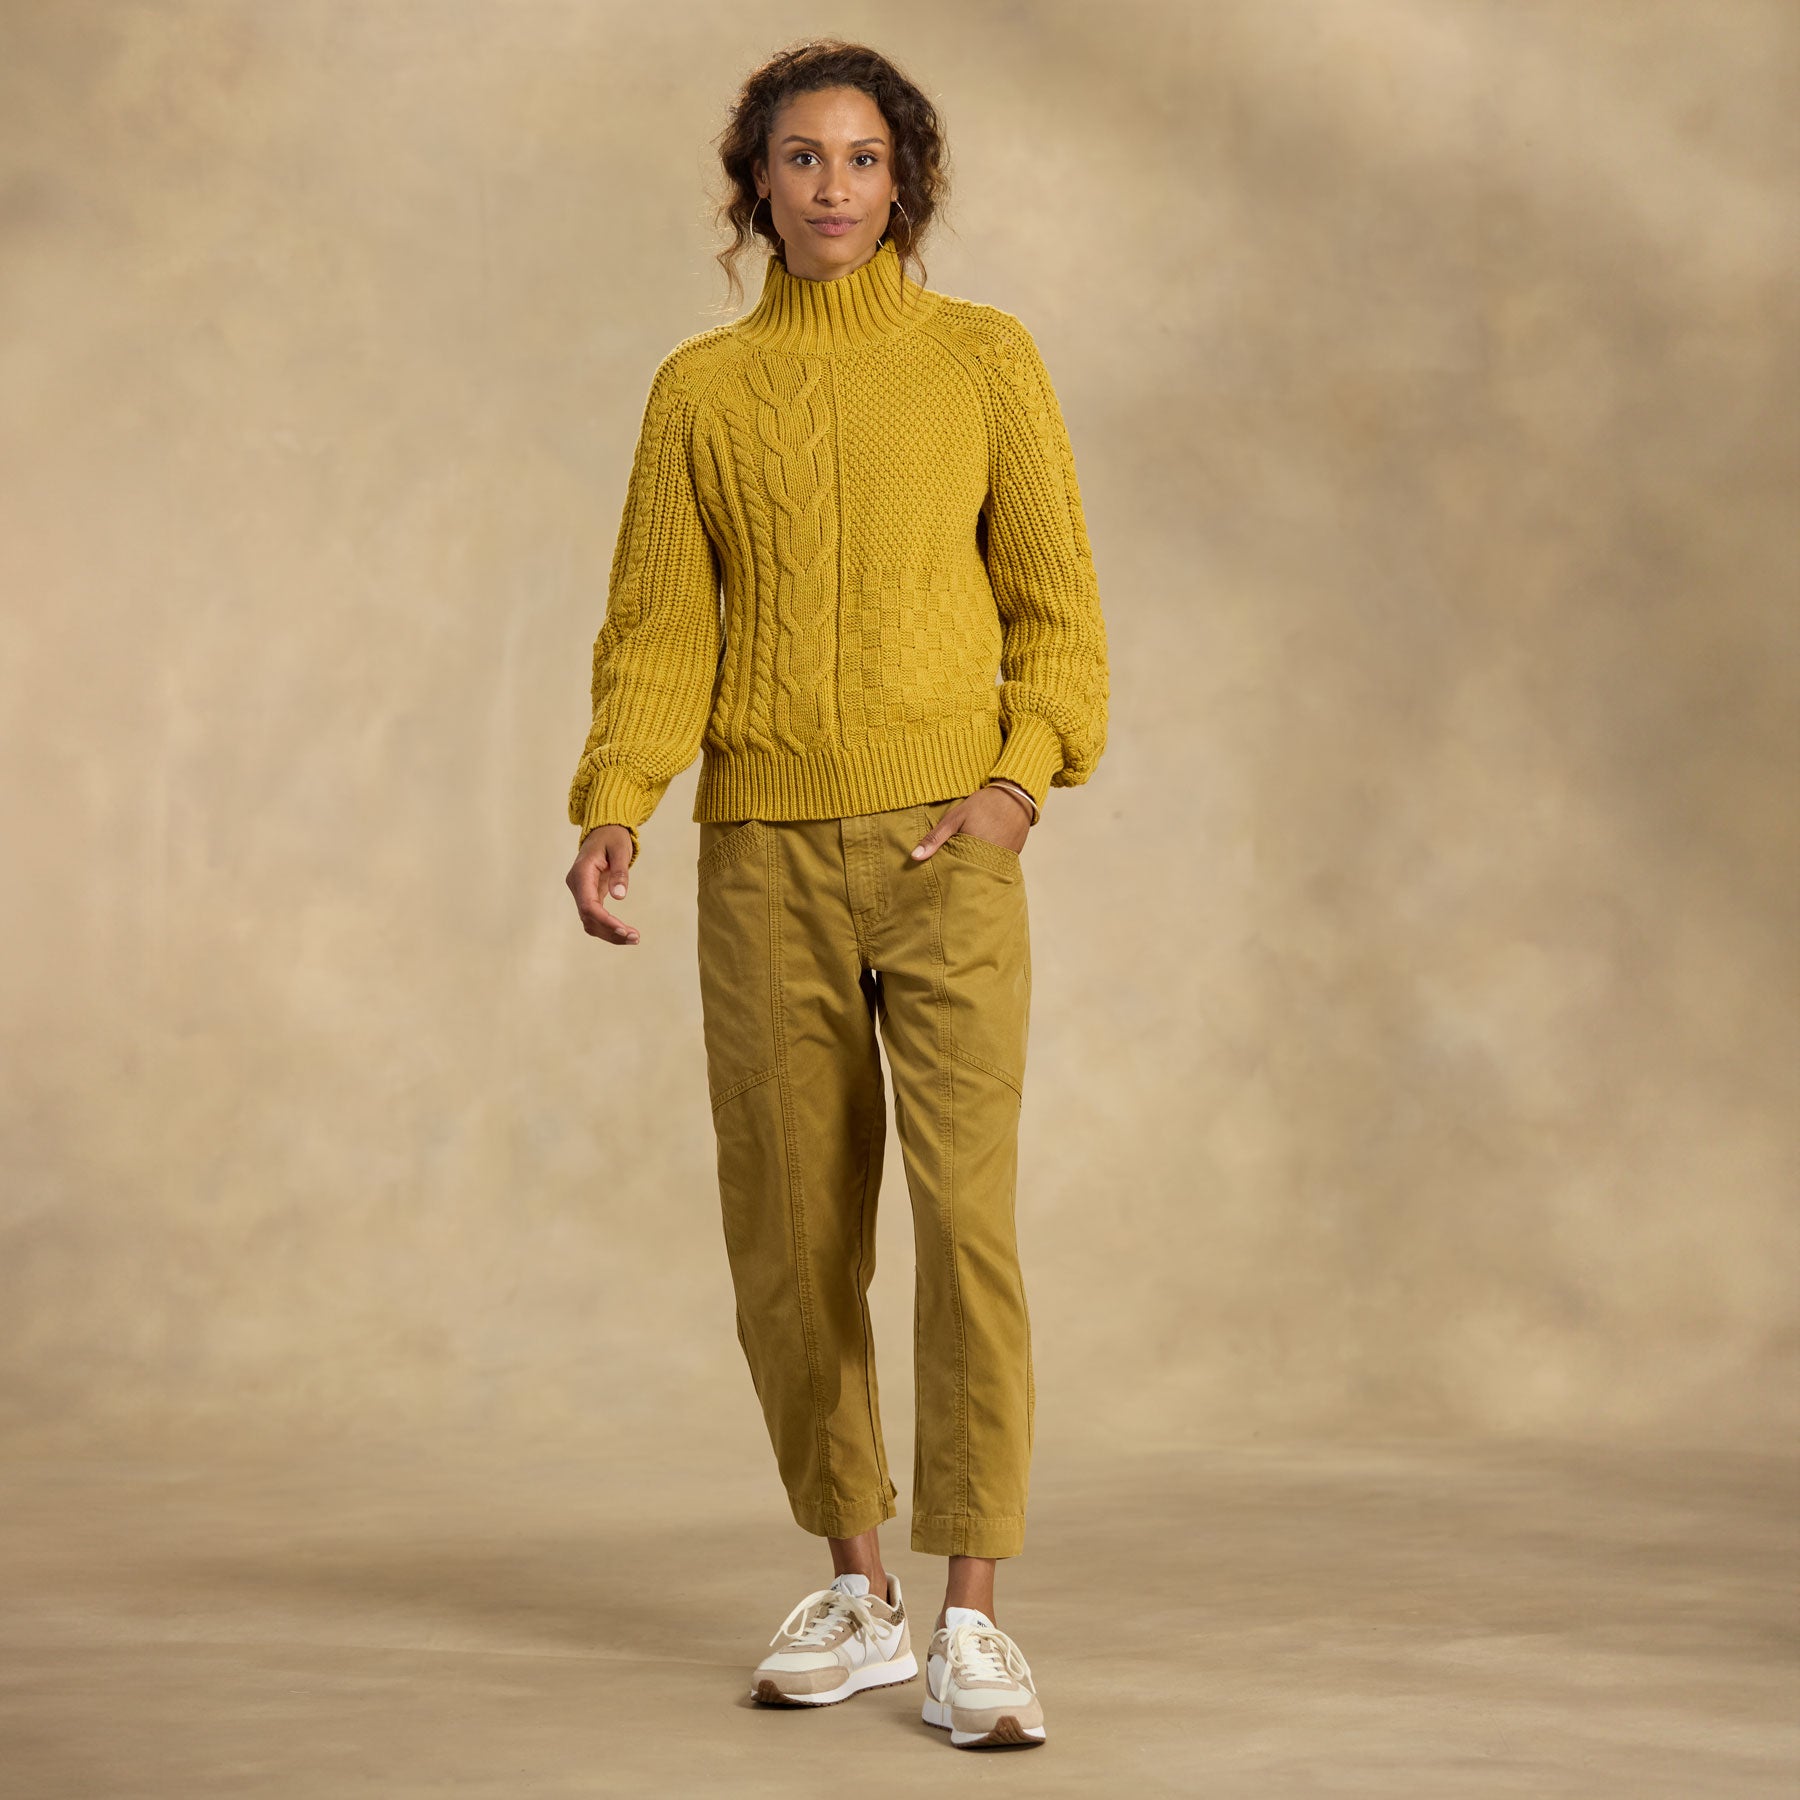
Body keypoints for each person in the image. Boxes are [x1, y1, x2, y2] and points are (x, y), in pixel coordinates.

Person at [564, 38, 1108, 1752]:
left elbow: (1059, 614)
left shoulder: (985, 360)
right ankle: (859, 1593)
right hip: (766, 863)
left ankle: (974, 1619)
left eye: (863, 158)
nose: (832, 187)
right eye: (801, 156)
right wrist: (617, 800)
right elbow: (661, 627)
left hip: (951, 855)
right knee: (792, 1235)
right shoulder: (699, 393)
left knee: (965, 1227)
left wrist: (1019, 784)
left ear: (905, 182)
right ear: (757, 181)